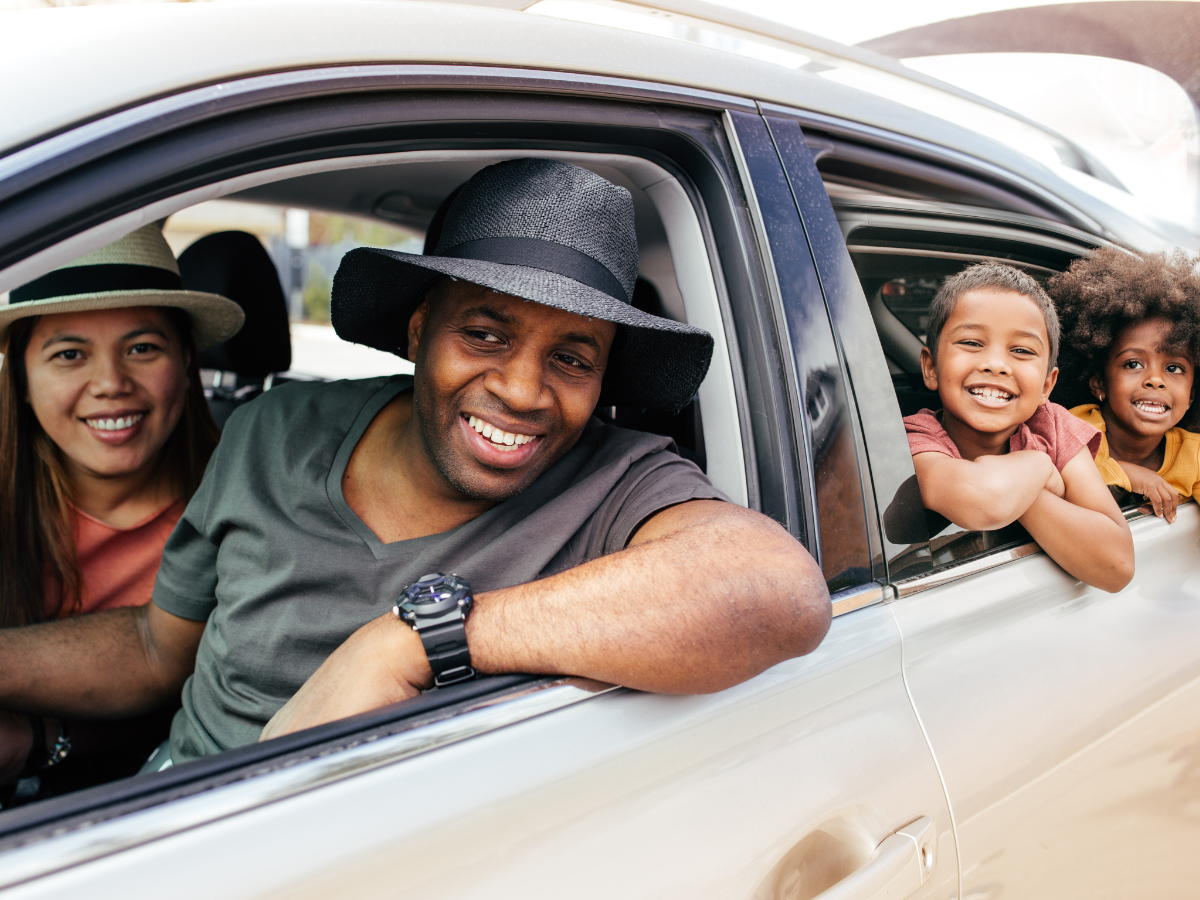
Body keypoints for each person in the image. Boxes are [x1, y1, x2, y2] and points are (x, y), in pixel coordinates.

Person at [0, 159, 830, 773]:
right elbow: (155, 645)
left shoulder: (618, 484)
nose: (521, 390)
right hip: (164, 818)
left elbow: (777, 589)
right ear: (417, 330)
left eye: (572, 357)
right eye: (486, 334)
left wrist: (412, 642)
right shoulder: (271, 430)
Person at [0, 224, 243, 790]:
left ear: (185, 362)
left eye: (141, 348)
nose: (110, 382)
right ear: (23, 380)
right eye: (69, 354)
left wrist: (40, 741)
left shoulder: (248, 511)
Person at [903, 262, 1134, 593]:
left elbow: (1118, 567)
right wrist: (1039, 466)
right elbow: (983, 501)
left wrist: (1026, 491)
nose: (996, 364)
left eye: (1022, 350)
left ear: (1046, 385)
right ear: (931, 367)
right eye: (970, 342)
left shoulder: (1051, 425)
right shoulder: (915, 438)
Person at [1050, 247, 1200, 524]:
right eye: (1133, 364)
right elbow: (1061, 467)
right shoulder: (1075, 427)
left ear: (1191, 396)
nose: (1155, 380)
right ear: (1098, 382)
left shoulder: (1193, 454)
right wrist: (1132, 475)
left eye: (1174, 368)